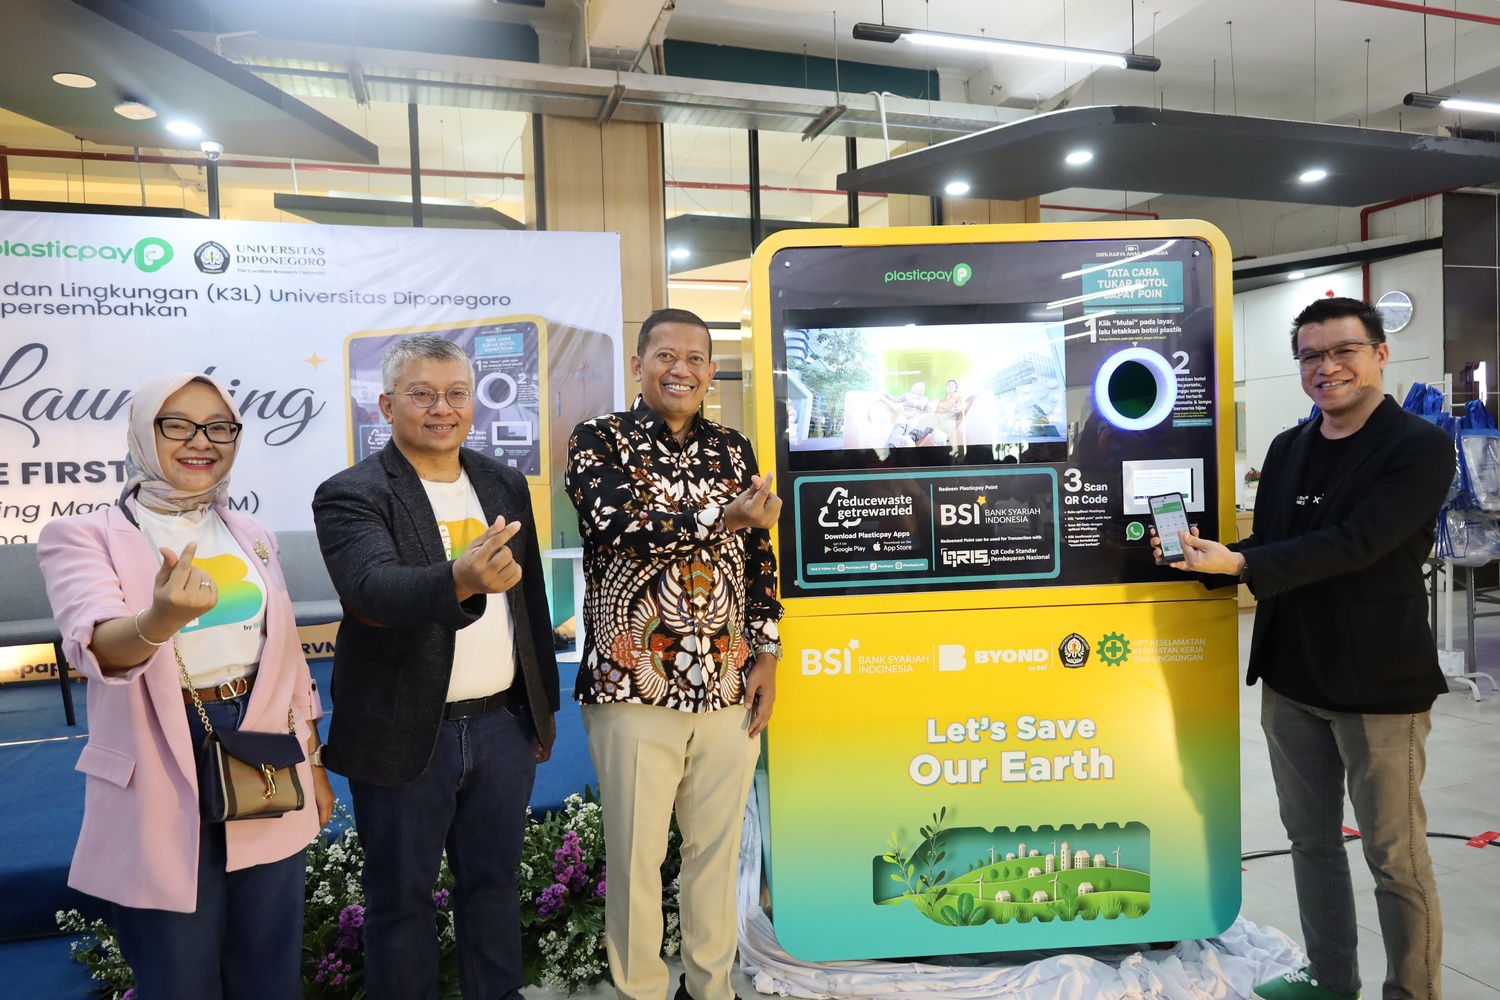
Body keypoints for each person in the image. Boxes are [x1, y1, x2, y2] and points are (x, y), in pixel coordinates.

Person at [1155, 297, 1452, 1000]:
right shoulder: (1290, 447)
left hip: (1379, 686)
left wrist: (1243, 567)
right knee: (1312, 844)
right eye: (1311, 356)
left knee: (1395, 857)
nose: (1327, 368)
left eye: (1343, 350)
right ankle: (1332, 980)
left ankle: (1412, 993)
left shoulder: (1417, 447)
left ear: (1380, 353)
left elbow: (1359, 544)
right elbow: (1279, 545)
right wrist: (1217, 556)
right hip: (1291, 680)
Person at [38, 372, 334, 1000]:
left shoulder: (251, 534)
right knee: (180, 975)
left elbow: (288, 667)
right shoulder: (84, 535)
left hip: (262, 754)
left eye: (219, 427)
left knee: (268, 968)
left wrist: (315, 765)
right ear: (145, 434)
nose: (201, 442)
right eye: (177, 425)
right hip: (158, 756)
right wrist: (159, 619)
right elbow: (95, 648)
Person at [312, 334, 559, 1000]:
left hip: (501, 727)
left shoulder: (503, 482)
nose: (441, 408)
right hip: (403, 733)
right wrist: (460, 577)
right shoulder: (351, 494)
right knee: (399, 904)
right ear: (387, 405)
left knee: (494, 889)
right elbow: (372, 588)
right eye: (421, 394)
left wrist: (541, 710)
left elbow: (529, 601)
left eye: (455, 393)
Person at [566, 308, 782, 1000]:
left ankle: (710, 987)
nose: (680, 369)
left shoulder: (734, 449)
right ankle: (640, 991)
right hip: (633, 686)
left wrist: (767, 654)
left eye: (695, 358)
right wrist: (722, 516)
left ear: (710, 371)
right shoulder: (598, 441)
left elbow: (758, 558)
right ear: (638, 365)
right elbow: (619, 527)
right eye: (665, 355)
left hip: (726, 687)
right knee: (636, 860)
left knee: (716, 859)